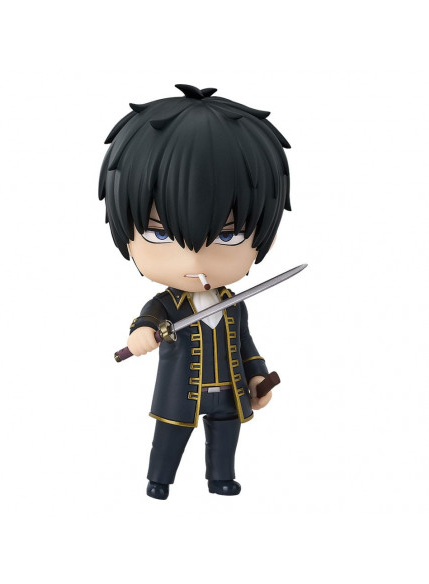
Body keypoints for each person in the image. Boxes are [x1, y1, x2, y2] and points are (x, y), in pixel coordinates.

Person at [99, 84, 291, 499]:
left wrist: (257, 375)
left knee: (226, 435)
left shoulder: (234, 305)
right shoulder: (166, 304)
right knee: (169, 437)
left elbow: (244, 344)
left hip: (229, 389)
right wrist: (141, 334)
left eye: (227, 235)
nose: (193, 260)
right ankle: (159, 479)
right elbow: (147, 320)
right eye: (160, 233)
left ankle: (220, 477)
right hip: (180, 393)